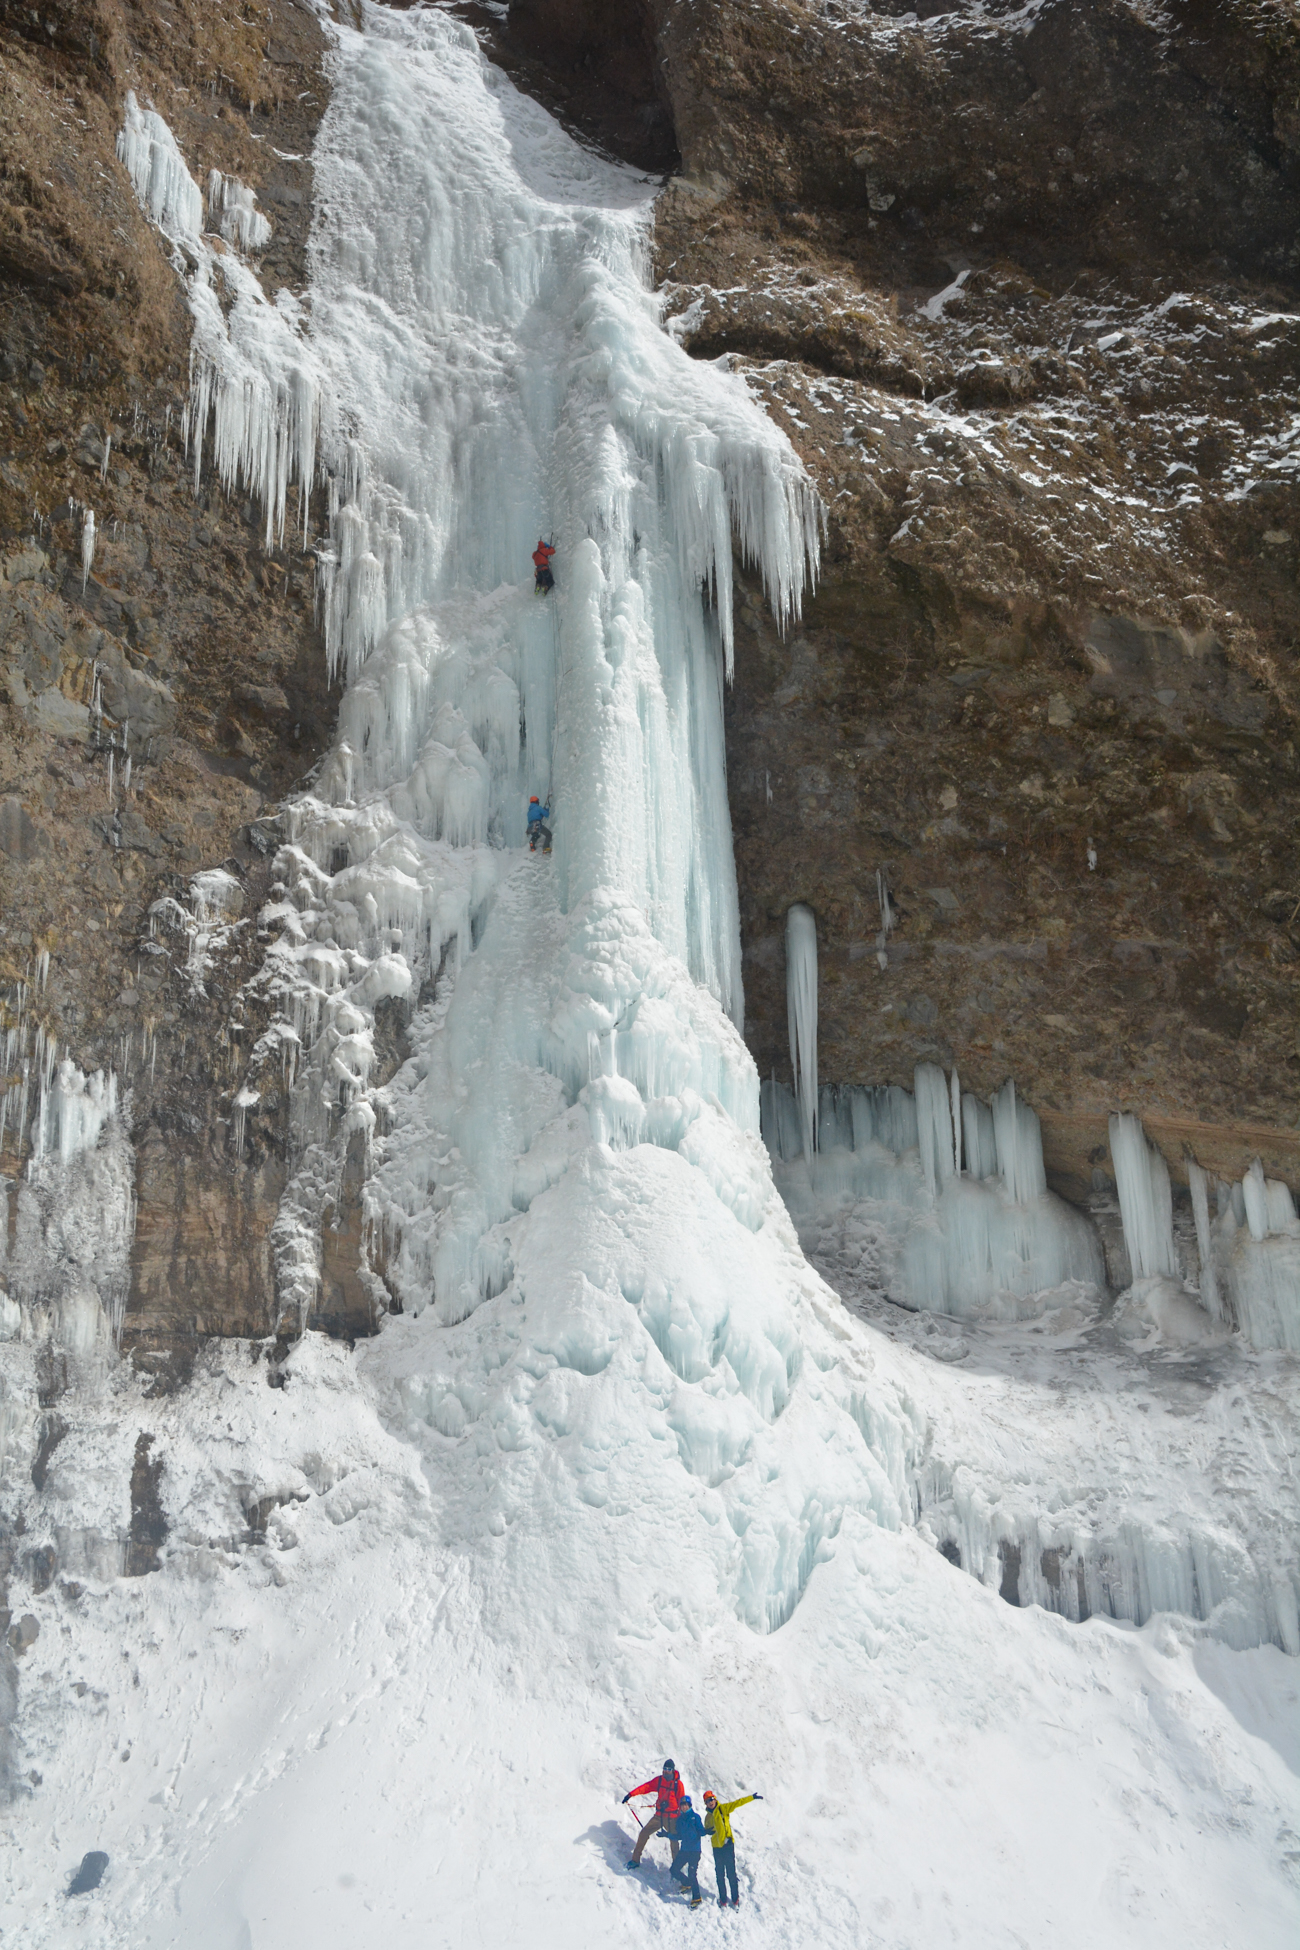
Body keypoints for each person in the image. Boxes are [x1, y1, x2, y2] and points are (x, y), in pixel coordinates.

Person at [703, 1788, 761, 1909]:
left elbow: (737, 1803)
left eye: (711, 1799)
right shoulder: (707, 1817)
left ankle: (735, 1898)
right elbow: (707, 1829)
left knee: (731, 1874)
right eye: (708, 1801)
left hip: (727, 1846)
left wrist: (751, 1797)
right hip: (717, 1848)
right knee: (720, 1874)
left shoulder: (723, 1809)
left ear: (715, 1799)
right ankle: (723, 1899)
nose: (710, 1802)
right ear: (706, 1804)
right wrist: (708, 1831)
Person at [623, 1759, 684, 1868]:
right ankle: (635, 1860)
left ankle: (677, 1868)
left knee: (674, 1842)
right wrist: (631, 1794)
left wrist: (682, 1818)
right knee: (644, 1833)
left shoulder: (677, 1784)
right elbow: (646, 1787)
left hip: (672, 1818)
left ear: (673, 1770)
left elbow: (682, 1802)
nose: (666, 1771)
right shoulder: (659, 1781)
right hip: (659, 1816)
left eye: (669, 1769)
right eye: (664, 1769)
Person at [669, 1795, 706, 1907]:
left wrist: (705, 1832)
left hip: (695, 1851)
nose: (684, 1807)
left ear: (689, 1805)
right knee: (674, 1869)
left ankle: (697, 1898)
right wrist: (667, 1835)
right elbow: (679, 1835)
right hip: (684, 1850)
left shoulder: (695, 1817)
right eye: (682, 1805)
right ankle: (687, 1883)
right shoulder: (680, 1819)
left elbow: (701, 1831)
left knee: (692, 1873)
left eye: (686, 1805)